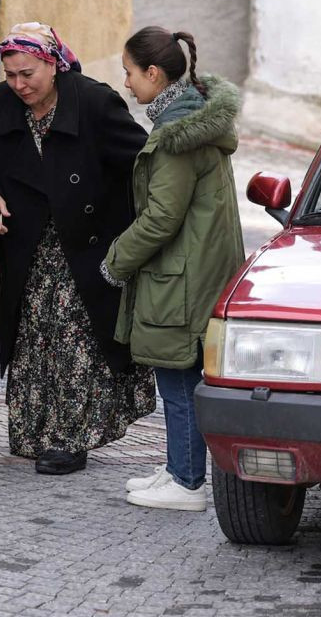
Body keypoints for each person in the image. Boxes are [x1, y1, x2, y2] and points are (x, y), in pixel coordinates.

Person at [0, 22, 155, 475]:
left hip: (85, 244)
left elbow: (143, 162)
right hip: (28, 243)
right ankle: (37, 429)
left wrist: (135, 232)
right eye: (11, 74)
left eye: (27, 73)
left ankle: (70, 438)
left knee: (77, 339)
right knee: (34, 335)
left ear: (53, 64)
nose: (19, 84)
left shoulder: (92, 101)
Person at [102, 27, 245, 511]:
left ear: (154, 74)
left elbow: (163, 216)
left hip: (182, 276)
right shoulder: (194, 120)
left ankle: (186, 482)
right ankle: (177, 467)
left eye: (129, 73)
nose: (126, 83)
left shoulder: (176, 138)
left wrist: (117, 260)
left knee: (179, 381)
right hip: (196, 269)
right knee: (180, 375)